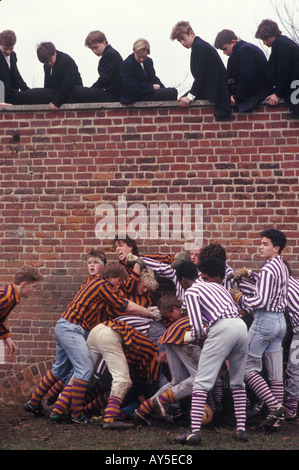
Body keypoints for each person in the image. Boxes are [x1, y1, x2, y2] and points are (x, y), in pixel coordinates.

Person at [24, 261, 159, 424]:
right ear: (111, 277)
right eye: (119, 280)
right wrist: (149, 313)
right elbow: (124, 305)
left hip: (64, 326)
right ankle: (77, 414)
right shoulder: (103, 286)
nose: (120, 284)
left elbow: (116, 308)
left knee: (60, 369)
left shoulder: (96, 283)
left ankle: (34, 403)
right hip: (73, 329)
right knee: (85, 369)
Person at [173, 258, 249, 445]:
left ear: (183, 280)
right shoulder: (217, 286)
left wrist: (191, 336)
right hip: (241, 327)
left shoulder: (191, 292)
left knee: (200, 382)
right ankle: (241, 430)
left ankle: (194, 432)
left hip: (222, 328)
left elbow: (197, 328)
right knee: (238, 381)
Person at [230, 228, 289, 429]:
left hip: (265, 321)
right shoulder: (281, 266)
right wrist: (251, 274)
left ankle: (274, 406)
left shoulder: (268, 268)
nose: (260, 247)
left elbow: (261, 299)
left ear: (276, 248)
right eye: (261, 243)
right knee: (275, 373)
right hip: (280, 322)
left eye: (265, 244)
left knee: (245, 367)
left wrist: (240, 298)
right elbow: (270, 287)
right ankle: (276, 423)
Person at [170, 21, 231, 119]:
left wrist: (190, 97)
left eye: (183, 39)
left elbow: (200, 75)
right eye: (179, 41)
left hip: (216, 92)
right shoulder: (199, 45)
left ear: (191, 33)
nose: (182, 43)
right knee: (180, 101)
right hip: (212, 88)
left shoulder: (199, 46)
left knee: (181, 104)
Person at [214, 29, 272, 112]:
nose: (224, 52)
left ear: (233, 42)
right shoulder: (236, 54)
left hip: (258, 94)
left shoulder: (246, 50)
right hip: (250, 93)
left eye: (225, 49)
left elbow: (247, 77)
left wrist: (236, 97)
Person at [255, 19, 299, 117]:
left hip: (294, 87)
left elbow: (284, 70)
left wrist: (278, 94)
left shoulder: (281, 44)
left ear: (274, 34)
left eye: (266, 39)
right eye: (263, 39)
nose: (264, 42)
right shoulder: (283, 43)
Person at [0, 30, 54, 105]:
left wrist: (26, 90)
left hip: (14, 93)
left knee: (39, 93)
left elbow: (17, 75)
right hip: (5, 97)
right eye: (5, 49)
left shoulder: (13, 56)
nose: (8, 52)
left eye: (11, 48)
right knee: (41, 95)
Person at [120, 38, 177, 105]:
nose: (141, 59)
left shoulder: (148, 61)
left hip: (146, 92)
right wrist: (151, 87)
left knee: (172, 91)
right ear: (134, 51)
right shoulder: (126, 64)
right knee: (171, 93)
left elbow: (153, 78)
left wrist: (163, 89)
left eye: (144, 57)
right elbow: (131, 86)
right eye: (139, 56)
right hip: (134, 96)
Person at [0, 265, 43, 355]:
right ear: (24, 285)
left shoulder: (11, 295)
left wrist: (7, 337)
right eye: (33, 287)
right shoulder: (6, 297)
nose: (34, 291)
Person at [72, 31, 123, 103]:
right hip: (111, 92)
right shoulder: (110, 53)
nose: (94, 51)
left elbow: (104, 79)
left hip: (111, 94)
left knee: (76, 90)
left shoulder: (109, 54)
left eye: (96, 47)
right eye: (92, 49)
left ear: (104, 42)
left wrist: (91, 89)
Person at [36, 42, 83, 111]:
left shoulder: (66, 61)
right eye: (46, 62)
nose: (49, 63)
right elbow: (47, 84)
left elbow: (67, 84)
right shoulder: (47, 66)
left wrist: (56, 102)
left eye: (50, 60)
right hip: (56, 94)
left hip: (71, 94)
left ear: (55, 52)